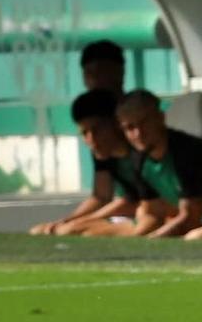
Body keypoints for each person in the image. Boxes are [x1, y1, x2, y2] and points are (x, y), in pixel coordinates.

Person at [114, 90, 202, 238]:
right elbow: (153, 212)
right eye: (130, 127)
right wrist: (137, 238)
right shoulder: (138, 159)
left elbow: (190, 218)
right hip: (199, 222)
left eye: (144, 122)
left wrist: (151, 242)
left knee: (195, 237)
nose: (138, 133)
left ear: (160, 117)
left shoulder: (187, 151)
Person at [28, 90, 152, 235]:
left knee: (73, 231)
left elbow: (137, 203)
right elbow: (101, 197)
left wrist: (81, 221)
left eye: (97, 129)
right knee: (39, 230)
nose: (91, 139)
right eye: (84, 132)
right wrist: (68, 220)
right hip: (129, 216)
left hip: (147, 217)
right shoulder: (102, 153)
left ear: (116, 124)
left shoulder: (140, 153)